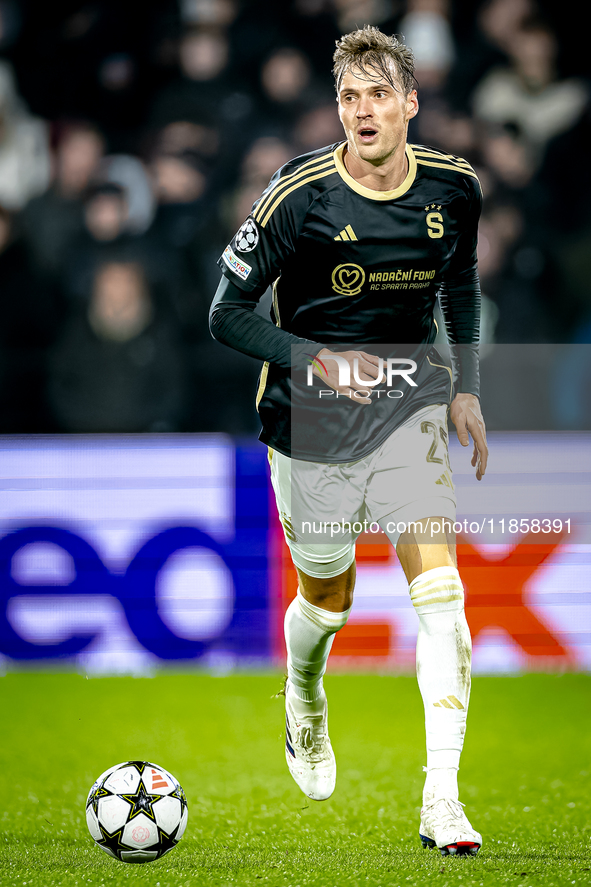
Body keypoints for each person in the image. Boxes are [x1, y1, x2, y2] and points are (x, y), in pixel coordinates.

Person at [210, 25, 488, 857]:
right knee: (326, 605)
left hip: (408, 409)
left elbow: (461, 278)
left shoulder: (455, 188)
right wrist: (314, 359)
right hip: (309, 422)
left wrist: (466, 384)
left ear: (409, 103)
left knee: (441, 597)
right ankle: (303, 696)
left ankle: (441, 798)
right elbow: (223, 314)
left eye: (376, 94)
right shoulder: (296, 195)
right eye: (347, 97)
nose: (361, 111)